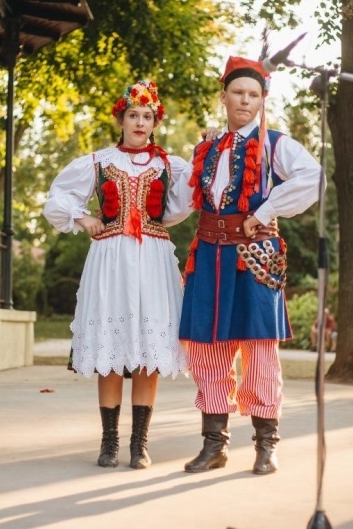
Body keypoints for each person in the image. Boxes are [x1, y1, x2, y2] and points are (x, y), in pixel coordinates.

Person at [179, 54, 321, 476]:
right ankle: (214, 444)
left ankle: (266, 445)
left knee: (260, 349)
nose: (245, 100)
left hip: (256, 252)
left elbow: (314, 177)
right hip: (208, 253)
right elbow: (179, 202)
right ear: (223, 96)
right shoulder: (205, 148)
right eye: (238, 93)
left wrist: (266, 210)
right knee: (208, 347)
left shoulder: (276, 143)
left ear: (262, 100)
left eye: (254, 95)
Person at [43, 79, 194, 470]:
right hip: (110, 259)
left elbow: (186, 200)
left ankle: (139, 443)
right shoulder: (98, 161)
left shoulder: (168, 164)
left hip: (154, 258)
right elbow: (57, 197)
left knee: (147, 350)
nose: (140, 123)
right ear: (121, 118)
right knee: (112, 352)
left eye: (147, 116)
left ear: (154, 121)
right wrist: (82, 216)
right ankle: (109, 441)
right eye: (133, 115)